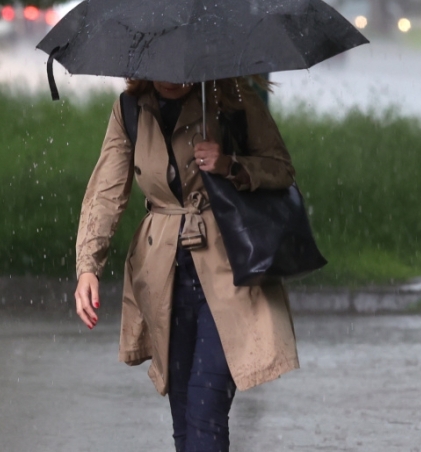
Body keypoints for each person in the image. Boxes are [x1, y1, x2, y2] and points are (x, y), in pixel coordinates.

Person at [73, 78, 299, 452]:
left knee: (205, 407)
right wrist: (87, 267)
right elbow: (105, 194)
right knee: (183, 416)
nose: (173, 78)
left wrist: (229, 164)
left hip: (230, 273)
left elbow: (280, 167)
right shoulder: (130, 109)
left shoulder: (231, 96)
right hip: (162, 275)